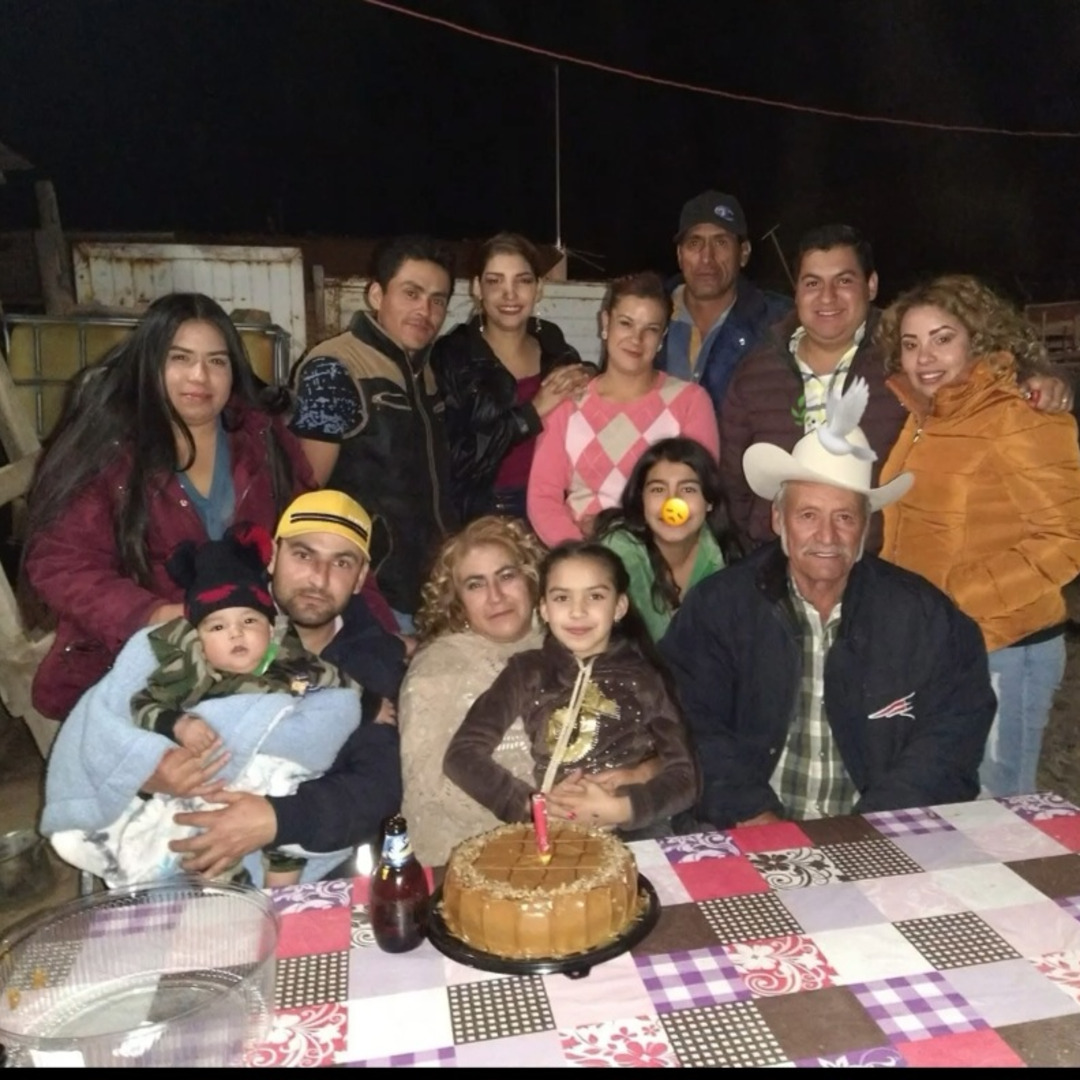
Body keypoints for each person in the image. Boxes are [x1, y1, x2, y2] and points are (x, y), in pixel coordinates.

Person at [660, 377, 997, 830]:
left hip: (883, 832)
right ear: (778, 519)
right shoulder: (720, 607)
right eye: (807, 515)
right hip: (746, 829)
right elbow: (687, 719)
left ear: (864, 528)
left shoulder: (924, 616)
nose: (826, 536)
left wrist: (873, 830)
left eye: (844, 518)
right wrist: (754, 817)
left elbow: (953, 732)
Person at [21, 292, 316, 728]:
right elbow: (61, 563)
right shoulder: (110, 447)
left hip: (254, 648)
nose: (200, 376)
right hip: (141, 663)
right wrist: (155, 615)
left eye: (217, 361)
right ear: (150, 364)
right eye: (180, 358)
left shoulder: (261, 435)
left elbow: (315, 532)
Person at [719, 223, 1076, 556]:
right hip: (780, 559)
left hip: (885, 563)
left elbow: (982, 372)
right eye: (812, 283)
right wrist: (756, 540)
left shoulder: (904, 355)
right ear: (796, 291)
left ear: (871, 285)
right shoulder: (756, 371)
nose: (827, 297)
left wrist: (1039, 377)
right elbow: (732, 477)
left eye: (844, 280)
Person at [44, 523, 362, 888]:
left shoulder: (287, 661)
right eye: (217, 627)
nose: (236, 633)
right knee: (183, 839)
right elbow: (139, 706)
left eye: (249, 621)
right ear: (197, 639)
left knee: (288, 786)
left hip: (260, 786)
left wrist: (366, 704)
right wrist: (177, 727)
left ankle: (281, 887)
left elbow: (337, 689)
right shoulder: (183, 669)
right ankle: (204, 877)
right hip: (196, 780)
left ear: (271, 629)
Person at [875, 275, 1080, 797]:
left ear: (978, 339)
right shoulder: (927, 417)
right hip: (939, 644)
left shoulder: (1019, 414)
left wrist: (953, 600)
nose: (924, 357)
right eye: (911, 343)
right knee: (950, 798)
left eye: (942, 338)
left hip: (1006, 647)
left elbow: (1066, 538)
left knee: (998, 808)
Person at [136, 490, 405, 881]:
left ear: (360, 577)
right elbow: (105, 723)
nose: (319, 578)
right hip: (173, 850)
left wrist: (275, 818)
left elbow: (378, 788)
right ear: (274, 556)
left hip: (307, 869)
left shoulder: (375, 664)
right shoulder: (206, 623)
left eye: (341, 562)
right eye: (303, 555)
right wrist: (144, 770)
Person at [444, 540, 700, 838]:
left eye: (595, 596)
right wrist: (532, 805)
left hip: (639, 833)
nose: (578, 612)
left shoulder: (645, 677)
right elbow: (462, 755)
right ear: (544, 608)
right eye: (562, 598)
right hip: (554, 832)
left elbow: (686, 776)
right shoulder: (526, 671)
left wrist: (621, 808)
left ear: (619, 607)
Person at [288, 234, 459, 632]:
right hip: (371, 595)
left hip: (427, 587)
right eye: (411, 293)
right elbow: (305, 491)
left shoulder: (425, 373)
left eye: (437, 300)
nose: (425, 310)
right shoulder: (335, 367)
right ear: (377, 294)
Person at [527, 271, 719, 547]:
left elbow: (694, 496)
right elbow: (543, 498)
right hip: (582, 560)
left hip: (662, 556)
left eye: (650, 329)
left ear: (662, 336)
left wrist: (627, 540)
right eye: (626, 323)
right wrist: (586, 556)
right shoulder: (568, 403)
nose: (636, 339)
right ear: (605, 322)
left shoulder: (690, 403)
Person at [398, 515, 547, 866]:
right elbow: (432, 791)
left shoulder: (571, 644)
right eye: (475, 585)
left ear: (530, 579)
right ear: (457, 602)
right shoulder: (436, 671)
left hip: (580, 836)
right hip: (474, 856)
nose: (496, 596)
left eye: (506, 576)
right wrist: (538, 811)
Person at [431, 232, 594, 522]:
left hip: (557, 504)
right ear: (477, 288)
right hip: (487, 512)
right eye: (495, 281)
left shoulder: (555, 348)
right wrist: (532, 412)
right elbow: (454, 459)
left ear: (539, 288)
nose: (510, 294)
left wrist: (590, 374)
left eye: (523, 280)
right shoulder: (453, 355)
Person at [655, 189, 792, 413]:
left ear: (744, 253)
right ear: (680, 255)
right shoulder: (648, 316)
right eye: (694, 243)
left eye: (721, 243)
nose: (706, 258)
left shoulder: (777, 323)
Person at [593, 436, 729, 642]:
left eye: (688, 489)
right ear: (641, 500)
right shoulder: (616, 555)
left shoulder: (719, 555)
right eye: (658, 490)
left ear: (709, 501)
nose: (672, 504)